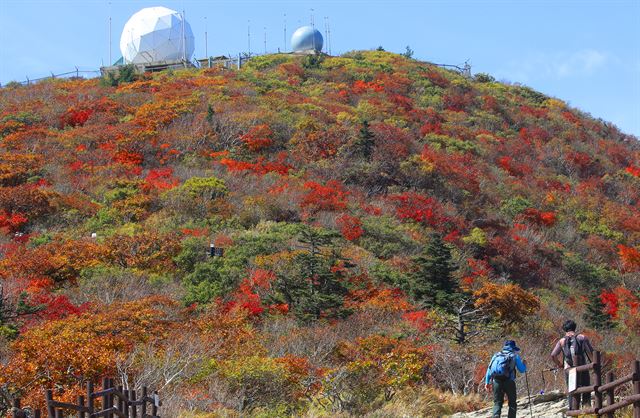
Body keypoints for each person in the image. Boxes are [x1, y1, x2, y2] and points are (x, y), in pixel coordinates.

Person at [550, 319, 595, 408]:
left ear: (565, 329)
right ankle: (586, 410)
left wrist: (560, 364)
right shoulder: (582, 338)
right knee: (586, 389)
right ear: (574, 328)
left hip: (569, 369)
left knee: (572, 391)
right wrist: (593, 364)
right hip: (583, 367)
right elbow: (591, 353)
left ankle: (573, 411)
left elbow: (553, 355)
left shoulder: (562, 341)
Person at [484, 340, 527, 418]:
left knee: (497, 402)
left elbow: (489, 370)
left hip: (496, 381)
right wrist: (524, 364)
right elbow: (522, 370)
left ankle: (496, 415)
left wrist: (487, 382)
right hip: (509, 382)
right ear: (513, 348)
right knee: (512, 402)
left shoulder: (496, 355)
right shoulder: (515, 356)